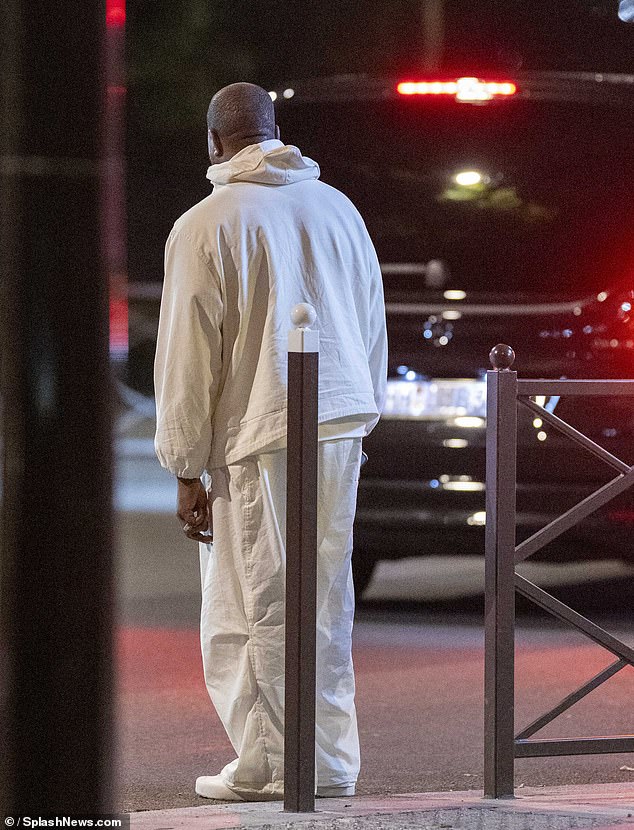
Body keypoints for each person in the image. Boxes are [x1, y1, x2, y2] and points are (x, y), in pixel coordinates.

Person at [154, 82, 387, 802]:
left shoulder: (208, 222)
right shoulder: (338, 208)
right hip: (340, 420)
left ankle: (273, 766)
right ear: (275, 131)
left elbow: (190, 357)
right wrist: (360, 414)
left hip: (260, 433)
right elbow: (372, 322)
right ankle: (331, 761)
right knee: (324, 599)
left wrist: (185, 465)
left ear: (214, 142)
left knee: (255, 603)